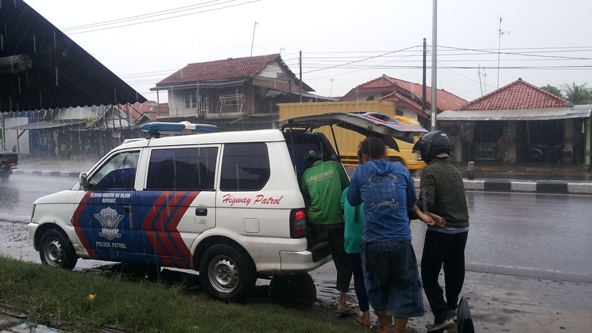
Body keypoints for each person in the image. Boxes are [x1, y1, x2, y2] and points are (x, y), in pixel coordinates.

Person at [347, 137, 429, 333]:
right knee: (404, 287)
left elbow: (352, 200)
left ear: (364, 156)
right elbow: (411, 202)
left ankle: (384, 326)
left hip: (373, 242)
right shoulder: (402, 171)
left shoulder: (360, 171)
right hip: (400, 241)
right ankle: (398, 331)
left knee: (376, 286)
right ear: (384, 153)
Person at [412, 131, 470, 332]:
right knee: (454, 272)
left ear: (430, 149)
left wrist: (413, 210)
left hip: (442, 231)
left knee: (428, 274)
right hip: (462, 230)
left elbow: (426, 204)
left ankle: (442, 315)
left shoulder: (430, 171)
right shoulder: (455, 170)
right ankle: (451, 310)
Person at [301, 149, 353, 316]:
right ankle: (342, 301)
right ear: (320, 158)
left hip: (316, 220)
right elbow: (348, 190)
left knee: (336, 252)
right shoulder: (335, 166)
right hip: (337, 221)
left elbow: (306, 195)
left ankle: (319, 234)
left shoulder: (305, 175)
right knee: (344, 262)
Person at [340, 150, 370, 326]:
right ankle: (386, 311)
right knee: (375, 276)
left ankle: (365, 315)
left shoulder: (346, 192)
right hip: (369, 241)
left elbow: (344, 214)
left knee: (358, 276)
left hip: (351, 241)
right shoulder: (373, 192)